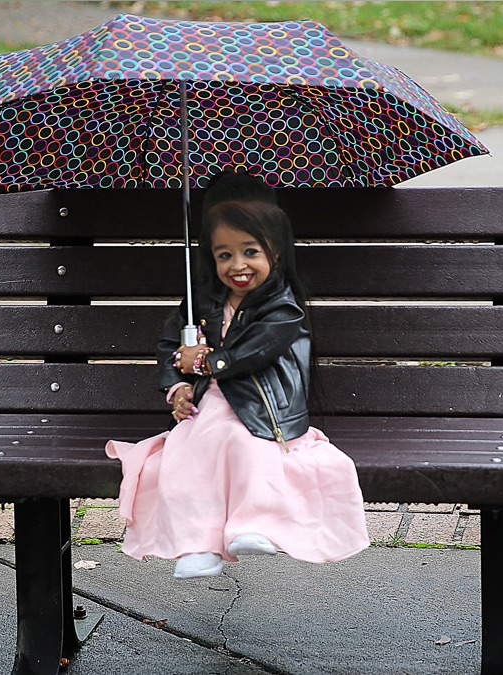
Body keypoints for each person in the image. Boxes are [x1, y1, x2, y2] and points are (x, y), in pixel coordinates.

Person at [105, 172, 369, 579]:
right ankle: (197, 544)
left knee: (241, 444)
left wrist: (203, 361)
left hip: (265, 408)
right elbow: (167, 346)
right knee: (185, 455)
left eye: (250, 252)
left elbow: (250, 354)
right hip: (212, 403)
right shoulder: (202, 301)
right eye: (224, 254)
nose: (238, 265)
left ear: (275, 254)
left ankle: (252, 525)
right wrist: (177, 387)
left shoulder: (283, 308)